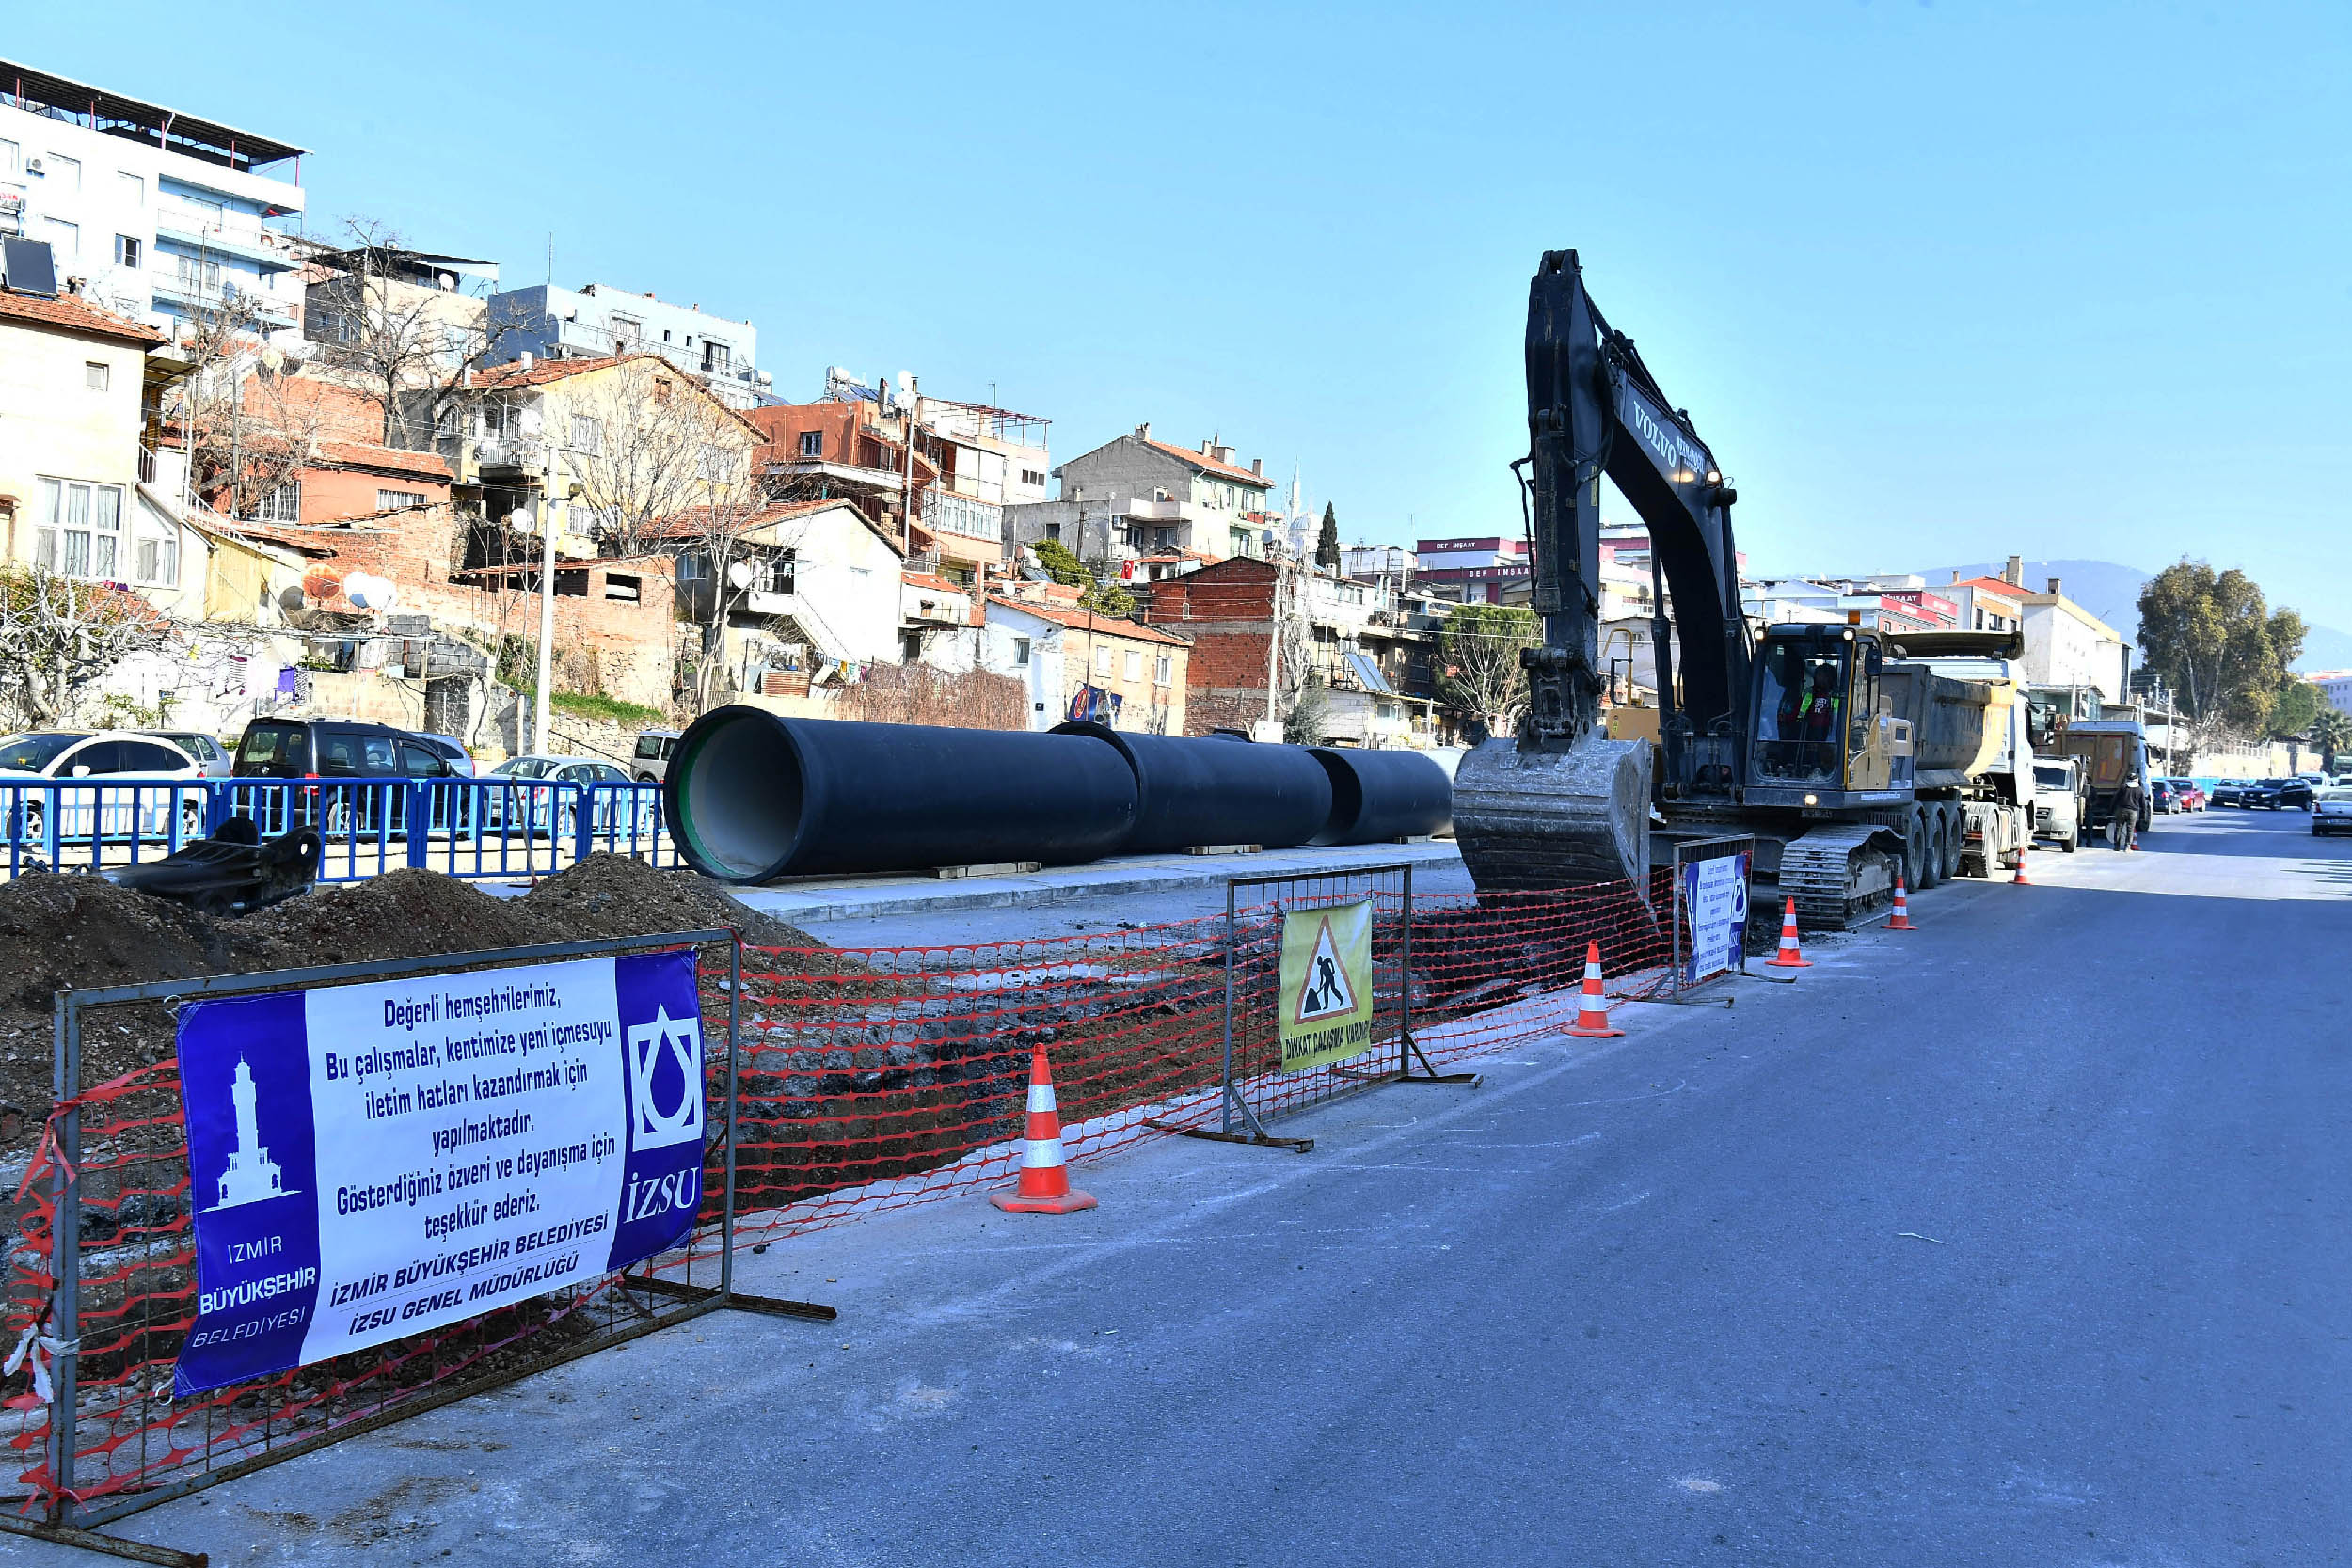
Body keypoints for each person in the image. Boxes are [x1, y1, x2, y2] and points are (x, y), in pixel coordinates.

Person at [2109, 774, 2141, 850]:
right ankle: (2127, 846)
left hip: (2121, 810)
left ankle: (2116, 846)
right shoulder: (2139, 789)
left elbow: (2115, 799)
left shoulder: (2123, 787)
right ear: (2136, 780)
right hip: (2133, 812)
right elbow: (2142, 802)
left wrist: (2111, 810)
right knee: (2130, 829)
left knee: (2118, 828)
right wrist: (2143, 814)